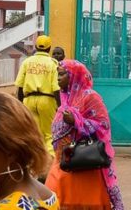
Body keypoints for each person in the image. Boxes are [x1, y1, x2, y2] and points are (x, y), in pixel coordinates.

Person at [46, 60, 124, 210]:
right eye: (57, 74)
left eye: (62, 74)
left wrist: (76, 121)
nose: (58, 78)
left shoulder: (90, 97)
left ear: (73, 76)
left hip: (83, 161)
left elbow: (103, 125)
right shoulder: (65, 98)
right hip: (62, 160)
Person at [15, 35, 61, 155]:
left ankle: (36, 162)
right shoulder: (53, 63)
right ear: (49, 48)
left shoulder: (27, 62)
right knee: (49, 134)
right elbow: (56, 88)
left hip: (28, 100)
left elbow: (19, 86)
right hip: (47, 100)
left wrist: (20, 105)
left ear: (36, 46)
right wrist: (60, 106)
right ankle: (49, 164)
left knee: (34, 133)